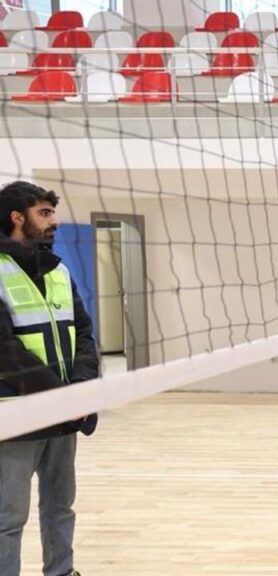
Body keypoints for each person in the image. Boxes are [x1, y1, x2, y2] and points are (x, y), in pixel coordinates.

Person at [0, 180, 98, 576]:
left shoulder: (59, 270)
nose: (54, 221)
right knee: (8, 518)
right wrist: (63, 398)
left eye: (53, 212)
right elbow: (5, 353)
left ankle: (61, 571)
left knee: (60, 507)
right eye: (44, 213)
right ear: (17, 217)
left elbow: (85, 334)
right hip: (16, 419)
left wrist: (81, 389)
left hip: (63, 416)